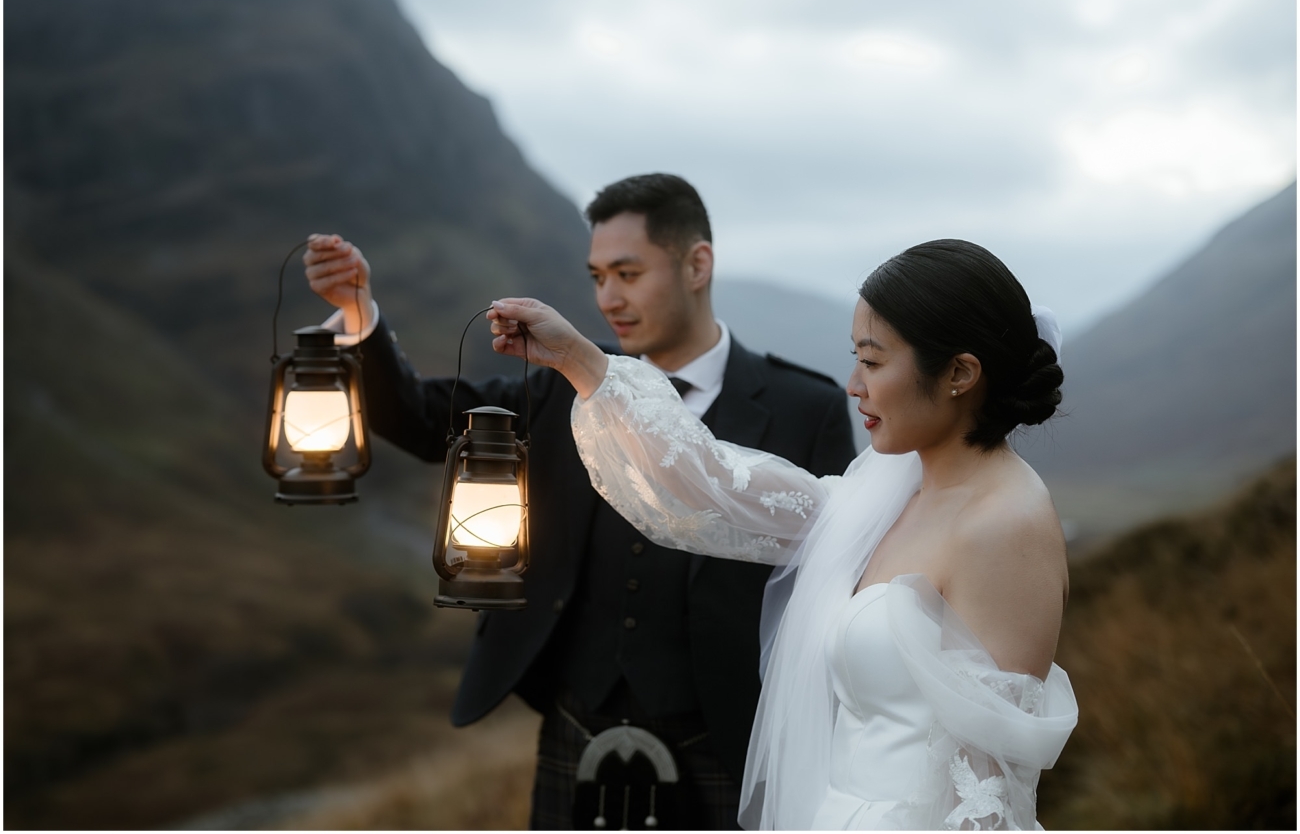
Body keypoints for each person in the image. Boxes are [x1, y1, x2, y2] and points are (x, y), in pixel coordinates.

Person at [301, 173, 857, 829]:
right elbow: (425, 418)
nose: (608, 299)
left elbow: (832, 583)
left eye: (627, 272)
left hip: (727, 743)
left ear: (697, 264)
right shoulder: (562, 393)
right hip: (574, 722)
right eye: (597, 277)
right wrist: (360, 313)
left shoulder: (804, 407)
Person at [485, 238, 1080, 829]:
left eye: (872, 362)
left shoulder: (1008, 526)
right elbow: (714, 486)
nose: (853, 384)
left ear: (959, 372)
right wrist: (581, 362)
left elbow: (988, 794)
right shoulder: (888, 493)